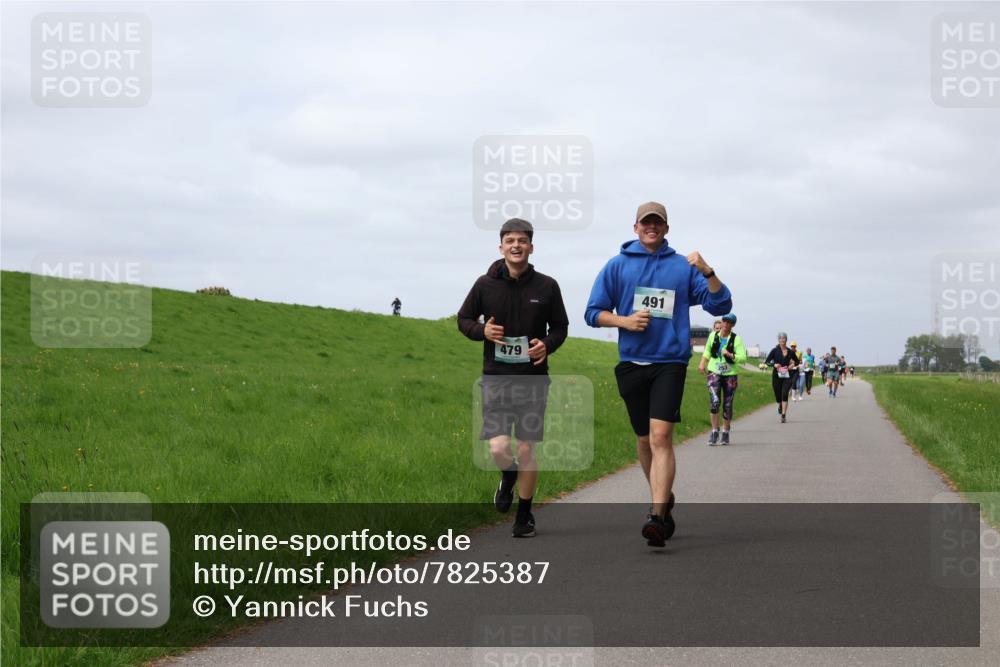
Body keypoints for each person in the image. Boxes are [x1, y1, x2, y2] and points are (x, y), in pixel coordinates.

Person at [585, 201, 732, 547]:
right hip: (632, 363)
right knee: (644, 440)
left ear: (666, 229)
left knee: (661, 436)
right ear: (635, 227)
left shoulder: (683, 268)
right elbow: (593, 312)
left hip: (669, 362)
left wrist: (708, 271)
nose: (652, 227)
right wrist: (623, 321)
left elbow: (720, 305)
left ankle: (654, 514)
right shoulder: (617, 266)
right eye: (645, 222)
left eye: (658, 223)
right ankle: (663, 498)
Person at [458, 218, 569, 538]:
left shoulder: (547, 286)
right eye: (510, 241)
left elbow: (560, 327)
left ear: (531, 247)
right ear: (501, 247)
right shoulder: (484, 284)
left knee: (526, 450)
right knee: (498, 447)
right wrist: (483, 331)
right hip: (496, 377)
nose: (516, 245)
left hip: (534, 379)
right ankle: (508, 477)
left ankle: (524, 515)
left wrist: (546, 346)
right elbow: (463, 320)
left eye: (522, 240)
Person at [698, 312, 746, 445]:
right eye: (724, 321)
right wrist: (703, 363)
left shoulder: (736, 339)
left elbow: (743, 357)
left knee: (728, 404)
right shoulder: (713, 336)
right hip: (714, 371)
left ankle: (725, 432)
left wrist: (730, 355)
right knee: (714, 402)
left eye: (729, 322)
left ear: (733, 325)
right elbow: (707, 351)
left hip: (730, 374)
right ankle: (714, 431)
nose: (726, 324)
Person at [764, 332, 798, 422]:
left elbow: (797, 362)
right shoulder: (774, 350)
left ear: (786, 340)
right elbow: (767, 362)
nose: (782, 340)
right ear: (778, 340)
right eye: (781, 338)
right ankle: (779, 404)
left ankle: (783, 416)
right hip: (776, 376)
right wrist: (774, 365)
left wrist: (791, 365)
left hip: (787, 376)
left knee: (785, 394)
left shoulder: (790, 352)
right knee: (778, 395)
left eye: (784, 338)